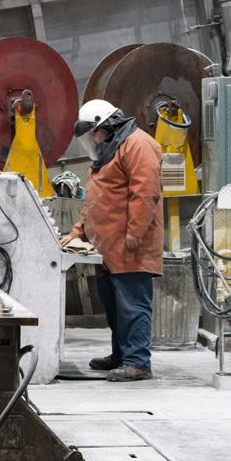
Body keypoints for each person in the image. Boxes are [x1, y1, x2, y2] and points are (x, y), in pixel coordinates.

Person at [61, 98, 164, 382]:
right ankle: (121, 355)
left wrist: (135, 233)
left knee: (132, 306)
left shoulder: (137, 145)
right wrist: (77, 231)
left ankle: (138, 362)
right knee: (115, 307)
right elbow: (97, 198)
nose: (92, 140)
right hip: (110, 248)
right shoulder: (109, 150)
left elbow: (145, 193)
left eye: (92, 133)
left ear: (105, 127)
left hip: (131, 244)